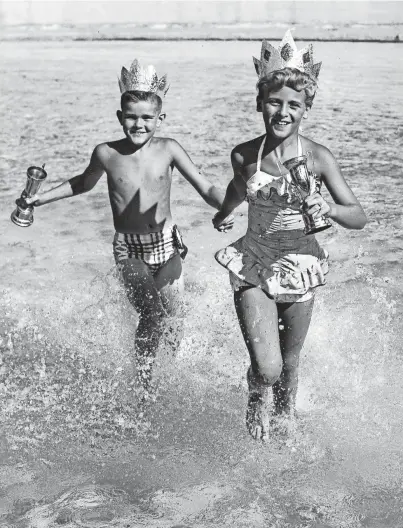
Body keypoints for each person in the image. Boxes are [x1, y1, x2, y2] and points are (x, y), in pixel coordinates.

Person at [23, 58, 233, 400]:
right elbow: (82, 183)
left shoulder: (169, 149)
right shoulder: (106, 153)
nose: (139, 124)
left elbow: (207, 188)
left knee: (174, 321)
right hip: (129, 250)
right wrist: (38, 200)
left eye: (147, 118)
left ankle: (168, 375)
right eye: (131, 117)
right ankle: (145, 388)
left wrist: (230, 207)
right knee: (151, 314)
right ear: (120, 117)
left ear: (160, 119)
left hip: (167, 246)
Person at [212, 31, 367, 441]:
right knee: (269, 367)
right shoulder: (245, 154)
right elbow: (235, 187)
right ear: (261, 102)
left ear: (307, 108)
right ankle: (256, 392)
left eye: (293, 105)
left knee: (292, 362)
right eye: (275, 102)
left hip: (300, 265)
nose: (283, 112)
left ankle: (285, 423)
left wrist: (328, 208)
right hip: (255, 264)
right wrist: (225, 213)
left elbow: (359, 216)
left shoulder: (318, 157)